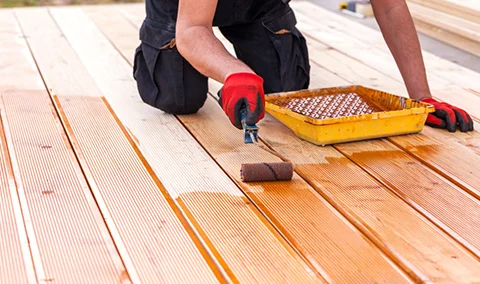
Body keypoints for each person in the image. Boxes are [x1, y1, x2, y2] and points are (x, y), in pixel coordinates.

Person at [133, 0, 474, 133]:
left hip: (258, 6)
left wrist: (422, 96)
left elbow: (390, 8)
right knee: (178, 99)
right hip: (183, 12)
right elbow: (194, 29)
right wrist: (234, 72)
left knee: (284, 90)